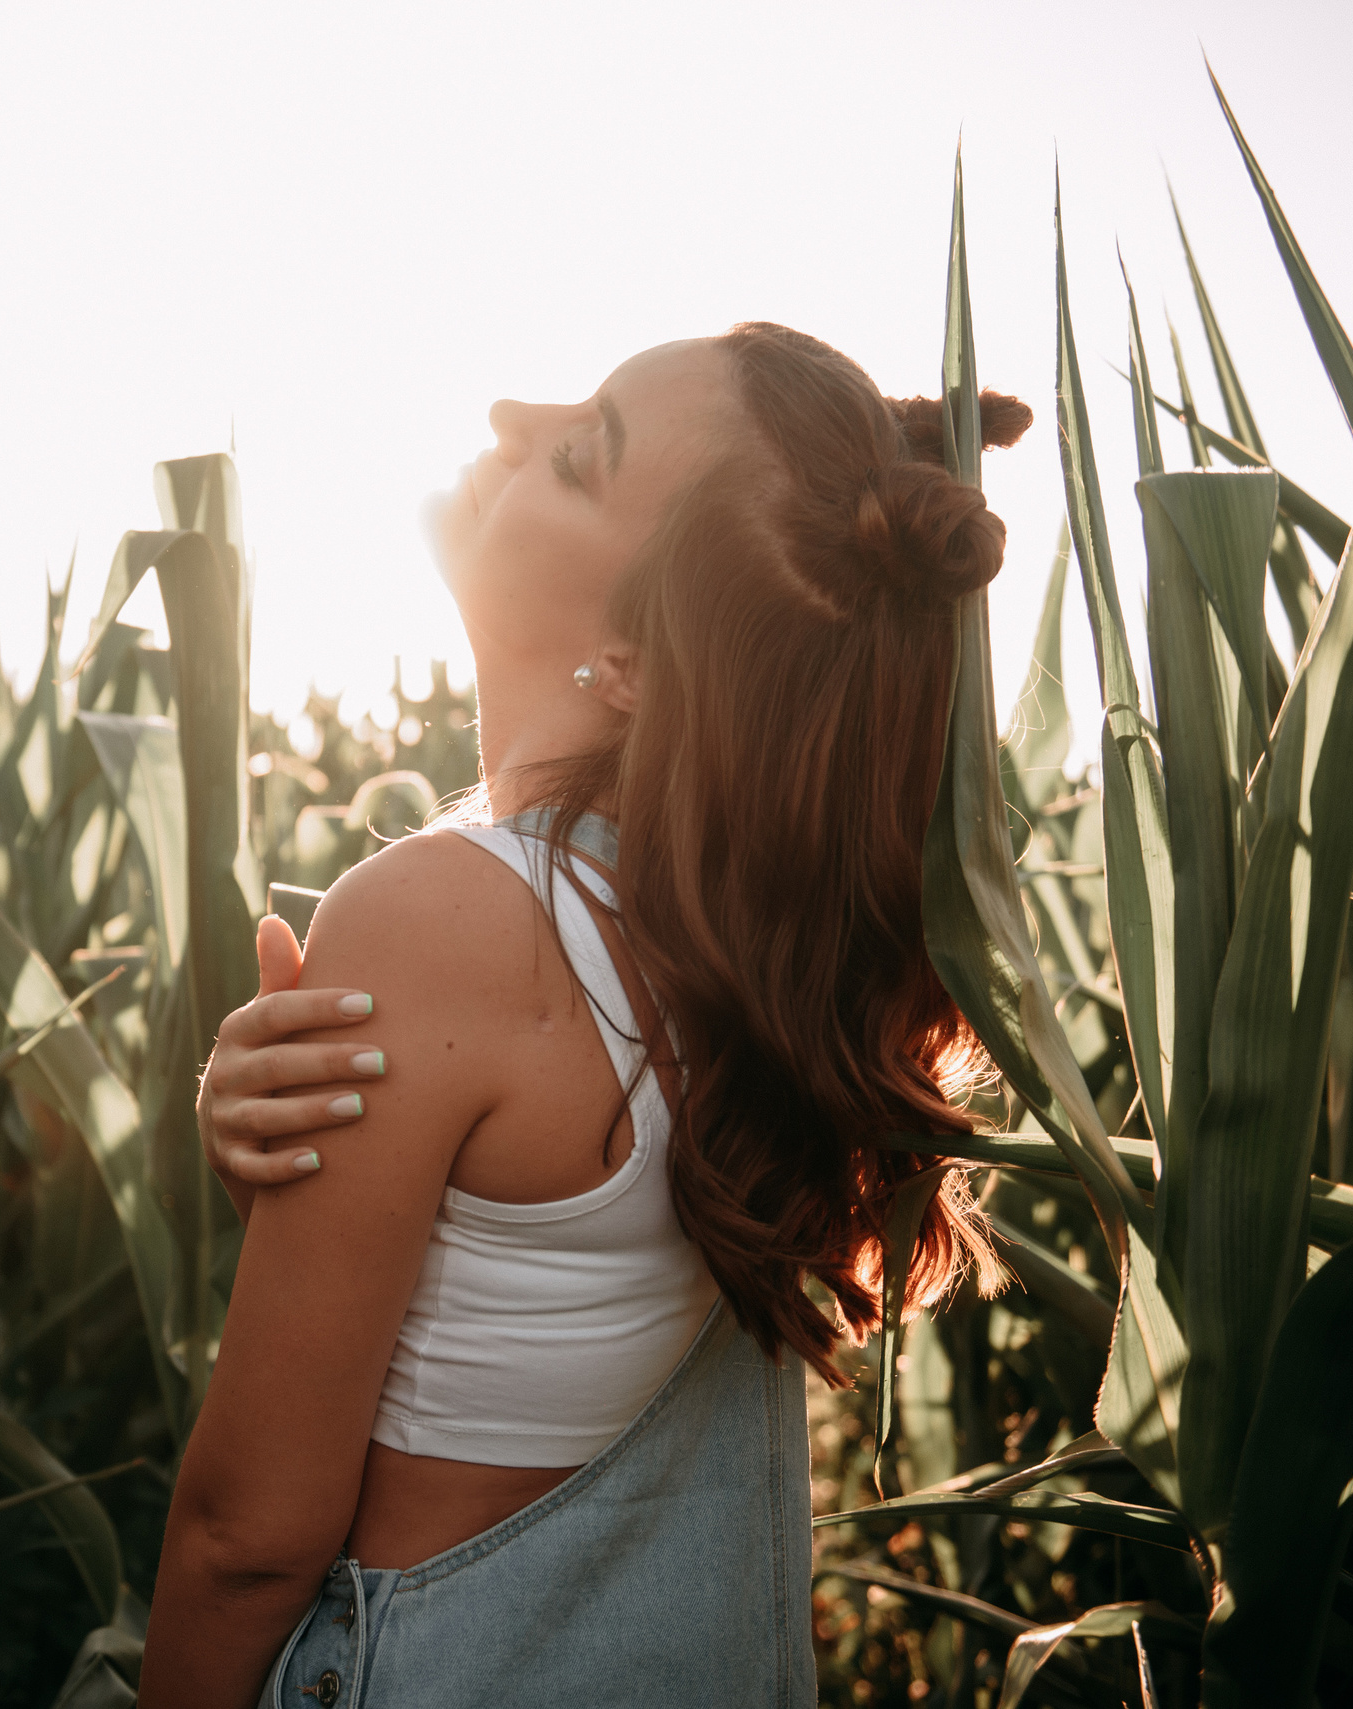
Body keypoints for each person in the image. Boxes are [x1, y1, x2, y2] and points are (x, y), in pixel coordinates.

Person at [137, 323, 1026, 1707]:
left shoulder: (440, 922)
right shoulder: (734, 954)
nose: (506, 409)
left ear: (628, 656)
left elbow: (244, 1541)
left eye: (579, 447)